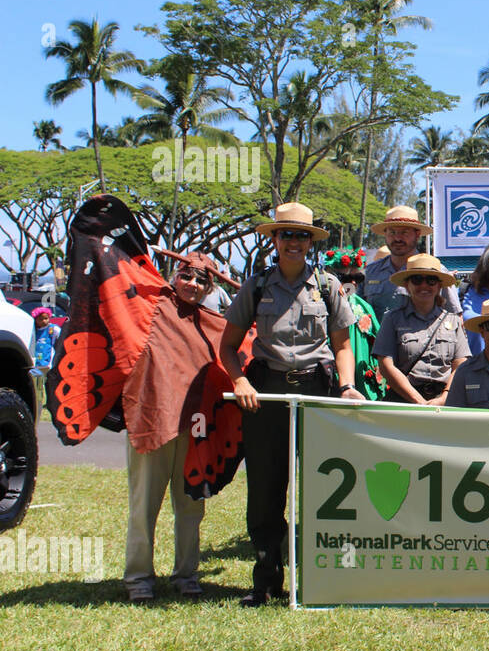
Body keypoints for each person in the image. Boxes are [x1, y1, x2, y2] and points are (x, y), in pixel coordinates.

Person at [219, 203, 364, 607]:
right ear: (274, 239)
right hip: (266, 394)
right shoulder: (257, 286)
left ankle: (320, 582)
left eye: (302, 236)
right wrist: (241, 379)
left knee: (321, 490)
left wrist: (347, 385)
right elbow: (228, 347)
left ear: (310, 242)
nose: (294, 242)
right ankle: (266, 582)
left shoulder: (328, 286)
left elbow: (341, 345)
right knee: (266, 491)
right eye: (287, 235)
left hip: (316, 393)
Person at [123, 254, 225, 602]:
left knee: (191, 504)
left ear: (209, 288)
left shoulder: (211, 324)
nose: (192, 285)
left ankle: (186, 574)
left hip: (194, 428)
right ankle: (139, 577)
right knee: (144, 504)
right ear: (174, 276)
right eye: (186, 276)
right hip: (152, 420)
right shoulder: (150, 308)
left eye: (201, 280)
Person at [374, 254, 468, 405]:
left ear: (439, 286)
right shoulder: (392, 319)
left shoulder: (454, 321)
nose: (424, 285)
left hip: (445, 403)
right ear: (407, 285)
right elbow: (385, 365)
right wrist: (418, 401)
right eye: (417, 280)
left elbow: (460, 365)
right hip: (404, 401)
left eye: (431, 280)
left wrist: (444, 398)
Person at [364, 206, 461, 325]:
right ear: (385, 234)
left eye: (404, 232)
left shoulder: (436, 271)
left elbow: (455, 318)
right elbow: (358, 312)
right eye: (392, 232)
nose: (398, 238)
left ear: (417, 234)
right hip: (377, 342)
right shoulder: (370, 272)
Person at [326, 246, 384, 400]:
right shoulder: (322, 304)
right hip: (331, 380)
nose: (352, 282)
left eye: (358, 278)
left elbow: (380, 345)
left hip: (364, 383)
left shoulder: (364, 306)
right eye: (344, 278)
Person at [30, 306, 60, 416]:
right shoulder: (33, 330)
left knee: (49, 384)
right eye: (40, 319)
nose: (43, 321)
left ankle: (51, 403)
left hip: (48, 363)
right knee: (38, 385)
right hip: (37, 363)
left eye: (46, 318)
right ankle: (38, 402)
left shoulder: (53, 329)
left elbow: (59, 342)